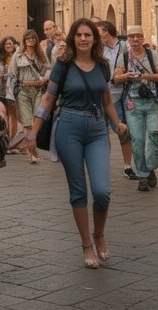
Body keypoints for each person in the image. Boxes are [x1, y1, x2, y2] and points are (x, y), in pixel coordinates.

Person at [24, 19, 127, 269]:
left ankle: (99, 234)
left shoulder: (102, 65)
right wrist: (32, 134)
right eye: (79, 35)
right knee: (78, 191)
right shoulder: (64, 65)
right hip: (69, 127)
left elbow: (106, 100)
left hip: (96, 130)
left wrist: (117, 124)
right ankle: (86, 245)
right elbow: (48, 98)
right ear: (73, 38)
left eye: (88, 35)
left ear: (95, 39)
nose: (83, 39)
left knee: (102, 191)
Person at [112, 27, 158, 192]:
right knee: (137, 142)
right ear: (128, 39)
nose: (134, 40)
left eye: (137, 37)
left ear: (142, 38)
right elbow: (115, 78)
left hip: (152, 103)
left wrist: (145, 76)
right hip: (132, 105)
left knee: (155, 138)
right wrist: (126, 76)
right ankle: (143, 175)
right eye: (131, 37)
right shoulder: (123, 57)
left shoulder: (153, 55)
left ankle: (151, 167)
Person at [96, 21, 135, 181]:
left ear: (107, 32)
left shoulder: (125, 47)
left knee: (122, 130)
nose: (98, 36)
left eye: (100, 33)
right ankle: (103, 164)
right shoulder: (98, 49)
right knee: (101, 132)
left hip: (118, 94)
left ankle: (128, 165)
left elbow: (133, 63)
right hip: (99, 94)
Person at [8, 30, 50, 164]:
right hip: (23, 91)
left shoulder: (41, 54)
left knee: (36, 122)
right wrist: (11, 92)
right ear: (24, 40)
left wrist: (43, 80)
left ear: (36, 40)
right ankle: (32, 152)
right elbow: (12, 73)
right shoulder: (18, 55)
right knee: (27, 124)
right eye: (27, 38)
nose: (30, 41)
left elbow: (49, 69)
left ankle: (30, 149)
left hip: (37, 90)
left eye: (32, 38)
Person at [0, 36, 19, 142]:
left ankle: (13, 140)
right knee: (4, 114)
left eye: (10, 44)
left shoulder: (17, 56)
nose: (8, 46)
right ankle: (4, 138)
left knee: (13, 114)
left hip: (12, 89)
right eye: (6, 44)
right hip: (1, 88)